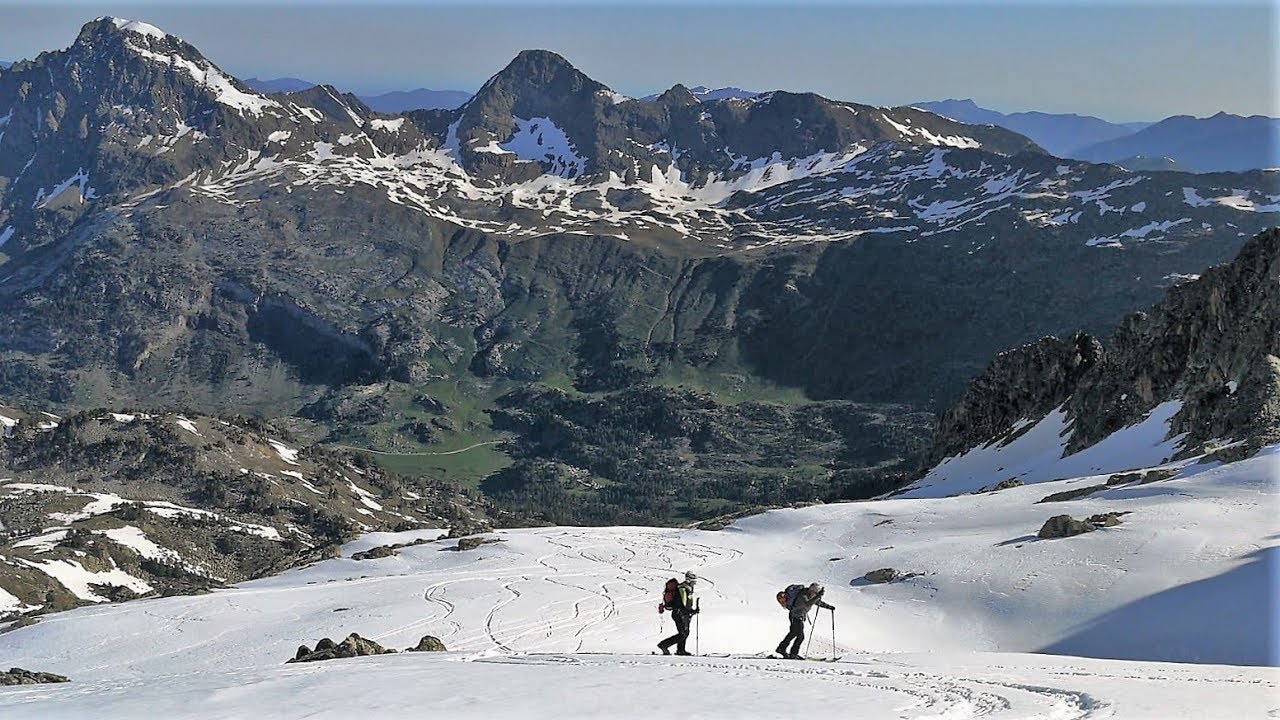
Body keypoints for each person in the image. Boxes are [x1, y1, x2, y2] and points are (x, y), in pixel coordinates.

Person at [776, 582, 834, 659]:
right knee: (800, 637)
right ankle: (793, 654)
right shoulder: (803, 595)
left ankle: (781, 649)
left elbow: (816, 602)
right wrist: (818, 596)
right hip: (795, 617)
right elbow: (807, 604)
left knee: (792, 634)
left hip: (797, 617)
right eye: (815, 592)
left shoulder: (809, 595)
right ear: (812, 590)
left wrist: (829, 607)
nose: (815, 594)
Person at [657, 571, 699, 656]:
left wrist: (691, 611)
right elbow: (681, 604)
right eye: (693, 581)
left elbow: (686, 604)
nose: (695, 583)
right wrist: (691, 611)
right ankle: (664, 645)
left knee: (685, 632)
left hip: (683, 613)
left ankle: (681, 650)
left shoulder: (687, 588)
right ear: (689, 580)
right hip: (679, 613)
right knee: (683, 634)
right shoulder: (682, 589)